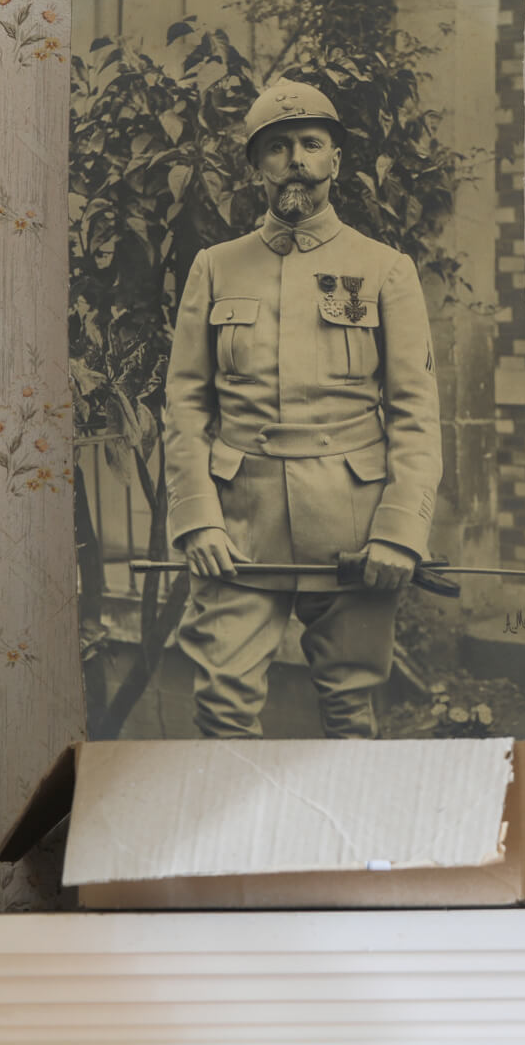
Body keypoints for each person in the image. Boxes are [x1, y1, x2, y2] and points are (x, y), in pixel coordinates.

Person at [163, 79, 443, 739]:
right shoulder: (215, 267)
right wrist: (197, 519)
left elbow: (415, 412)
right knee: (222, 710)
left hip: (354, 529)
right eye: (278, 146)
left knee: (350, 714)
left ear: (335, 160)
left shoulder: (384, 269)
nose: (296, 160)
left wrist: (400, 532)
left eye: (312, 144)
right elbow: (185, 404)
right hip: (238, 530)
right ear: (257, 165)